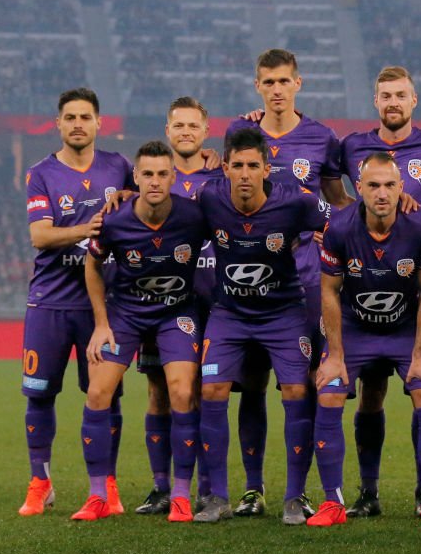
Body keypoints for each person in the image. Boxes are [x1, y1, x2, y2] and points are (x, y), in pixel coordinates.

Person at [337, 65, 421, 517]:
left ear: (414, 101)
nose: (393, 102)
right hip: (367, 284)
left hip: (420, 286)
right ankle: (368, 493)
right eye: (385, 96)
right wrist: (350, 214)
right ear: (375, 102)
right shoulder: (353, 146)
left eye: (401, 95)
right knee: (371, 393)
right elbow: (320, 176)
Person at [225, 49, 354, 517]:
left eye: (284, 81)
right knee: (254, 382)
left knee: (303, 384)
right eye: (268, 82)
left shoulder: (322, 138)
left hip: (305, 275)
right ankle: (253, 489)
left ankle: (299, 490)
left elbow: (337, 201)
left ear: (298, 83)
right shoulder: (241, 133)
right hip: (249, 275)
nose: (276, 89)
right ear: (257, 86)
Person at [194, 127, 331, 524]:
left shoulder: (295, 202)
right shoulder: (209, 198)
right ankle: (217, 496)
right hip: (229, 314)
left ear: (266, 169)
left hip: (283, 312)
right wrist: (126, 198)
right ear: (225, 168)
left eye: (253, 165)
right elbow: (170, 217)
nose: (245, 174)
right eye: (237, 165)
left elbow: (340, 222)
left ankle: (294, 496)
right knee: (213, 388)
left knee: (295, 388)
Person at [307, 153, 421, 529]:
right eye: (373, 185)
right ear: (359, 189)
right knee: (330, 390)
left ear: (402, 187)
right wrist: (335, 355)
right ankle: (334, 502)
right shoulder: (338, 228)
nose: (382, 193)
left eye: (389, 185)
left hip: (405, 328)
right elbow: (329, 292)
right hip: (355, 328)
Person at [72, 141, 206, 522]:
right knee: (98, 391)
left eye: (163, 174)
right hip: (127, 312)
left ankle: (181, 493)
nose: (155, 181)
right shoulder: (114, 219)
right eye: (147, 174)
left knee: (181, 391)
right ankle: (98, 493)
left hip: (176, 312)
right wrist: (101, 323)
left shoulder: (194, 216)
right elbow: (92, 266)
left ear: (173, 177)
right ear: (136, 177)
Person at [18, 88, 132, 517]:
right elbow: (40, 235)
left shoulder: (120, 167)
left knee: (106, 396)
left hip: (102, 304)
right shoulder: (41, 173)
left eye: (86, 116)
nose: (78, 123)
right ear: (58, 123)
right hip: (49, 302)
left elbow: (164, 186)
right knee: (40, 395)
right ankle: (40, 481)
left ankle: (106, 486)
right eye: (70, 117)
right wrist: (91, 227)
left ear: (99, 122)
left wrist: (211, 163)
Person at [135, 97, 223, 515]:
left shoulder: (221, 176)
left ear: (206, 132)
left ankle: (206, 486)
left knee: (203, 393)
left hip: (216, 301)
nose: (186, 132)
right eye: (178, 126)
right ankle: (160, 486)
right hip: (166, 304)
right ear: (167, 131)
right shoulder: (153, 178)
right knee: (159, 391)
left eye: (193, 125)